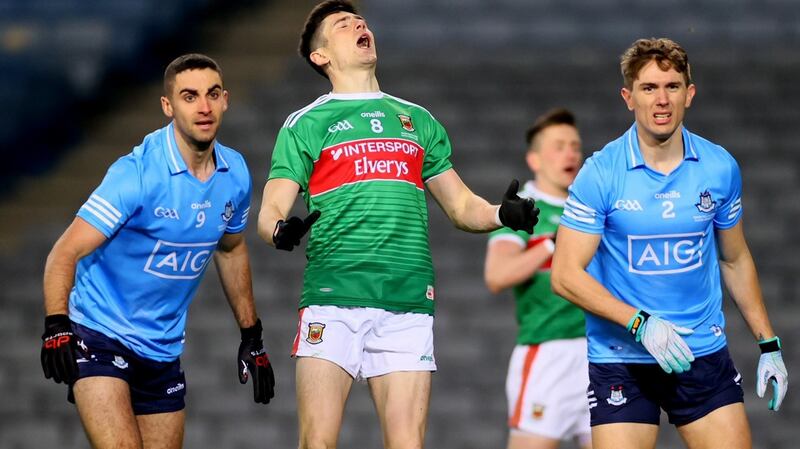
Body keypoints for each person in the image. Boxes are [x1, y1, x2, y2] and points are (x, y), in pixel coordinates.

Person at [256, 2, 540, 448]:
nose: (359, 25)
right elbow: (270, 208)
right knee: (317, 442)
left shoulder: (417, 119)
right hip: (335, 297)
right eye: (343, 24)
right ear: (321, 55)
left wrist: (501, 215)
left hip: (407, 302)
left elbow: (461, 205)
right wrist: (279, 229)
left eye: (360, 20)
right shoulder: (306, 124)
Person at [550, 37, 788, 449]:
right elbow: (565, 275)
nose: (661, 100)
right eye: (649, 88)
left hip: (701, 353)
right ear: (628, 98)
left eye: (672, 87)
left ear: (689, 94)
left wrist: (768, 343)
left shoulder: (719, 168)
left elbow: (734, 259)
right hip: (621, 358)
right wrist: (640, 323)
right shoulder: (600, 173)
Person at [40, 53, 275, 449]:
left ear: (225, 100)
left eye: (212, 94)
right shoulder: (136, 174)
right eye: (189, 96)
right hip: (99, 333)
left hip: (162, 351)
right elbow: (63, 253)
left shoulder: (235, 174)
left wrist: (252, 335)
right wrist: (56, 326)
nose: (203, 107)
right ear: (168, 106)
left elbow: (232, 249)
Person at [484, 108, 591, 449]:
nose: (570, 154)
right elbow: (497, 275)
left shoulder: (591, 208)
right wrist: (552, 243)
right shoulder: (523, 213)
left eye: (575, 146)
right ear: (534, 159)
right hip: (549, 354)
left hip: (601, 353)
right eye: (558, 146)